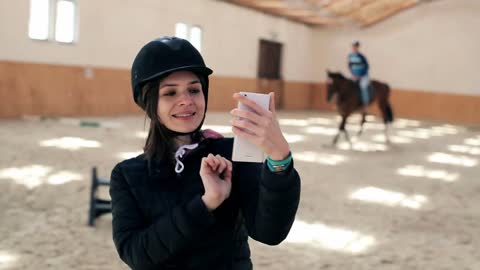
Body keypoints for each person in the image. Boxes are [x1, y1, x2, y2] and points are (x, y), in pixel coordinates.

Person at [109, 36, 301, 270]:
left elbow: (270, 233)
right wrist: (206, 203)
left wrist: (279, 160)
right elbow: (136, 254)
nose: (186, 101)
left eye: (194, 89)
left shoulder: (233, 153)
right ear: (149, 102)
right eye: (170, 93)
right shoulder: (127, 175)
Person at [348, 40, 370, 112]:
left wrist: (360, 76)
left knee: (363, 87)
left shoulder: (361, 57)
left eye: (356, 46)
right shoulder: (350, 56)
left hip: (363, 76)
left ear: (358, 47)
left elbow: (366, 67)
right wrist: (353, 74)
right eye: (353, 46)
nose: (354, 48)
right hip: (354, 76)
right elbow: (350, 66)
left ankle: (365, 105)